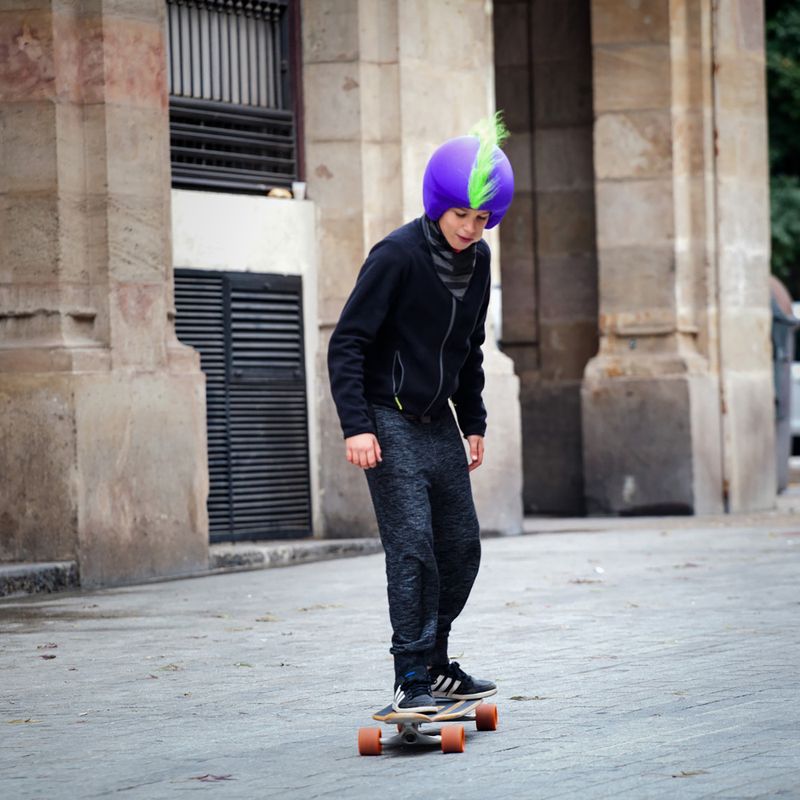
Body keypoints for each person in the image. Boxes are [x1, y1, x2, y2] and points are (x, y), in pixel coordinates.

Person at [327, 114, 514, 712]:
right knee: (412, 549)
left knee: (461, 548)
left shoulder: (479, 263)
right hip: (387, 418)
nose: (470, 227)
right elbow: (347, 343)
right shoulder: (397, 256)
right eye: (462, 214)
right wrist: (356, 424)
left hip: (440, 424)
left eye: (483, 218)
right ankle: (410, 675)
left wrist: (476, 420)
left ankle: (435, 663)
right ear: (439, 204)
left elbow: (470, 346)